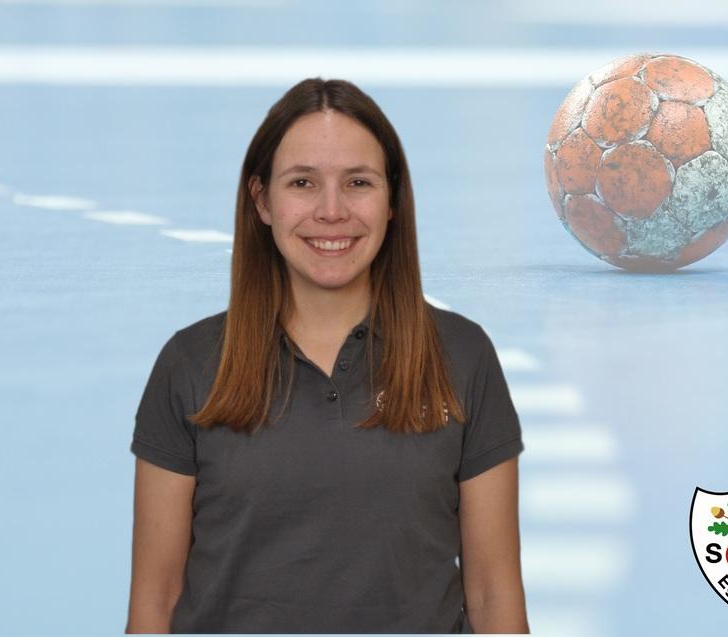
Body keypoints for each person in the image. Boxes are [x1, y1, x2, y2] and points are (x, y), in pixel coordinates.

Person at [126, 77, 529, 634]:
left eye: (358, 182)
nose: (332, 211)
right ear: (262, 201)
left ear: (393, 201)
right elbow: (154, 603)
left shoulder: (462, 356)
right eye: (303, 183)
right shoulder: (190, 365)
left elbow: (493, 597)